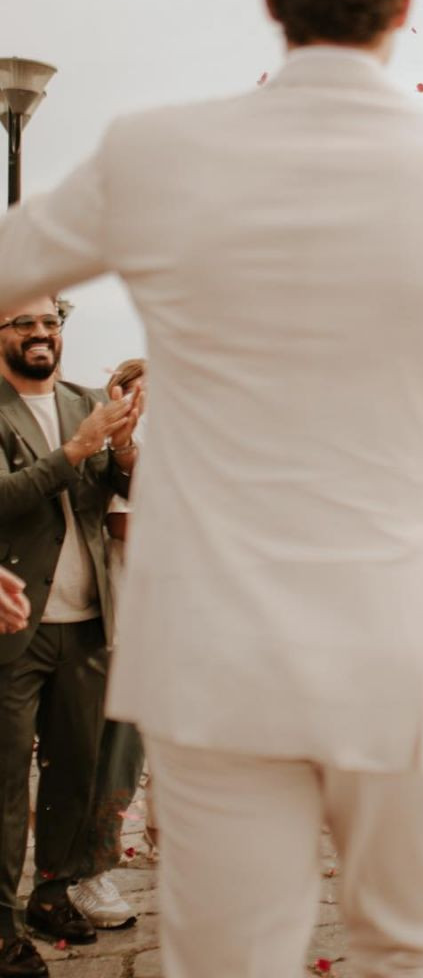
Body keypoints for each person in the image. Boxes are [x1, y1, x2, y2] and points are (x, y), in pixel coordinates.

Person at [0, 0, 423, 978]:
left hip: (214, 640)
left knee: (228, 959)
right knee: (413, 947)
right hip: (396, 628)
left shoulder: (153, 153)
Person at [0, 300, 140, 976]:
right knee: (6, 783)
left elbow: (117, 487)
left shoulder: (87, 400)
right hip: (16, 626)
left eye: (50, 323)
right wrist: (77, 449)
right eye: (22, 324)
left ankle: (51, 897)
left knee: (74, 773)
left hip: (86, 624)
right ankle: (0, 925)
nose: (40, 334)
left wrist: (124, 450)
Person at [72, 358, 150, 932]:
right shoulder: (120, 453)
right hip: (124, 628)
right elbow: (124, 524)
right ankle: (88, 871)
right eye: (139, 394)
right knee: (112, 755)